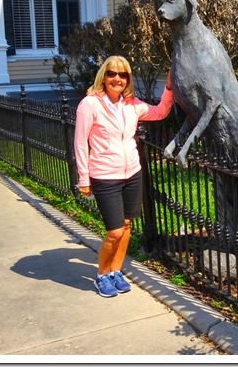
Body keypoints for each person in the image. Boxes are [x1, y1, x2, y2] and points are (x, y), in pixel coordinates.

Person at [74, 55, 173, 297]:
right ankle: (101, 275)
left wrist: (169, 87)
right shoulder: (90, 104)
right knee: (115, 231)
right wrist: (84, 178)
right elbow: (80, 143)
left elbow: (160, 112)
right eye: (112, 73)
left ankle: (115, 272)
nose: (117, 79)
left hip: (132, 174)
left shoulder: (132, 104)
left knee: (127, 226)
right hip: (105, 175)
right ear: (104, 76)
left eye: (123, 75)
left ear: (127, 79)